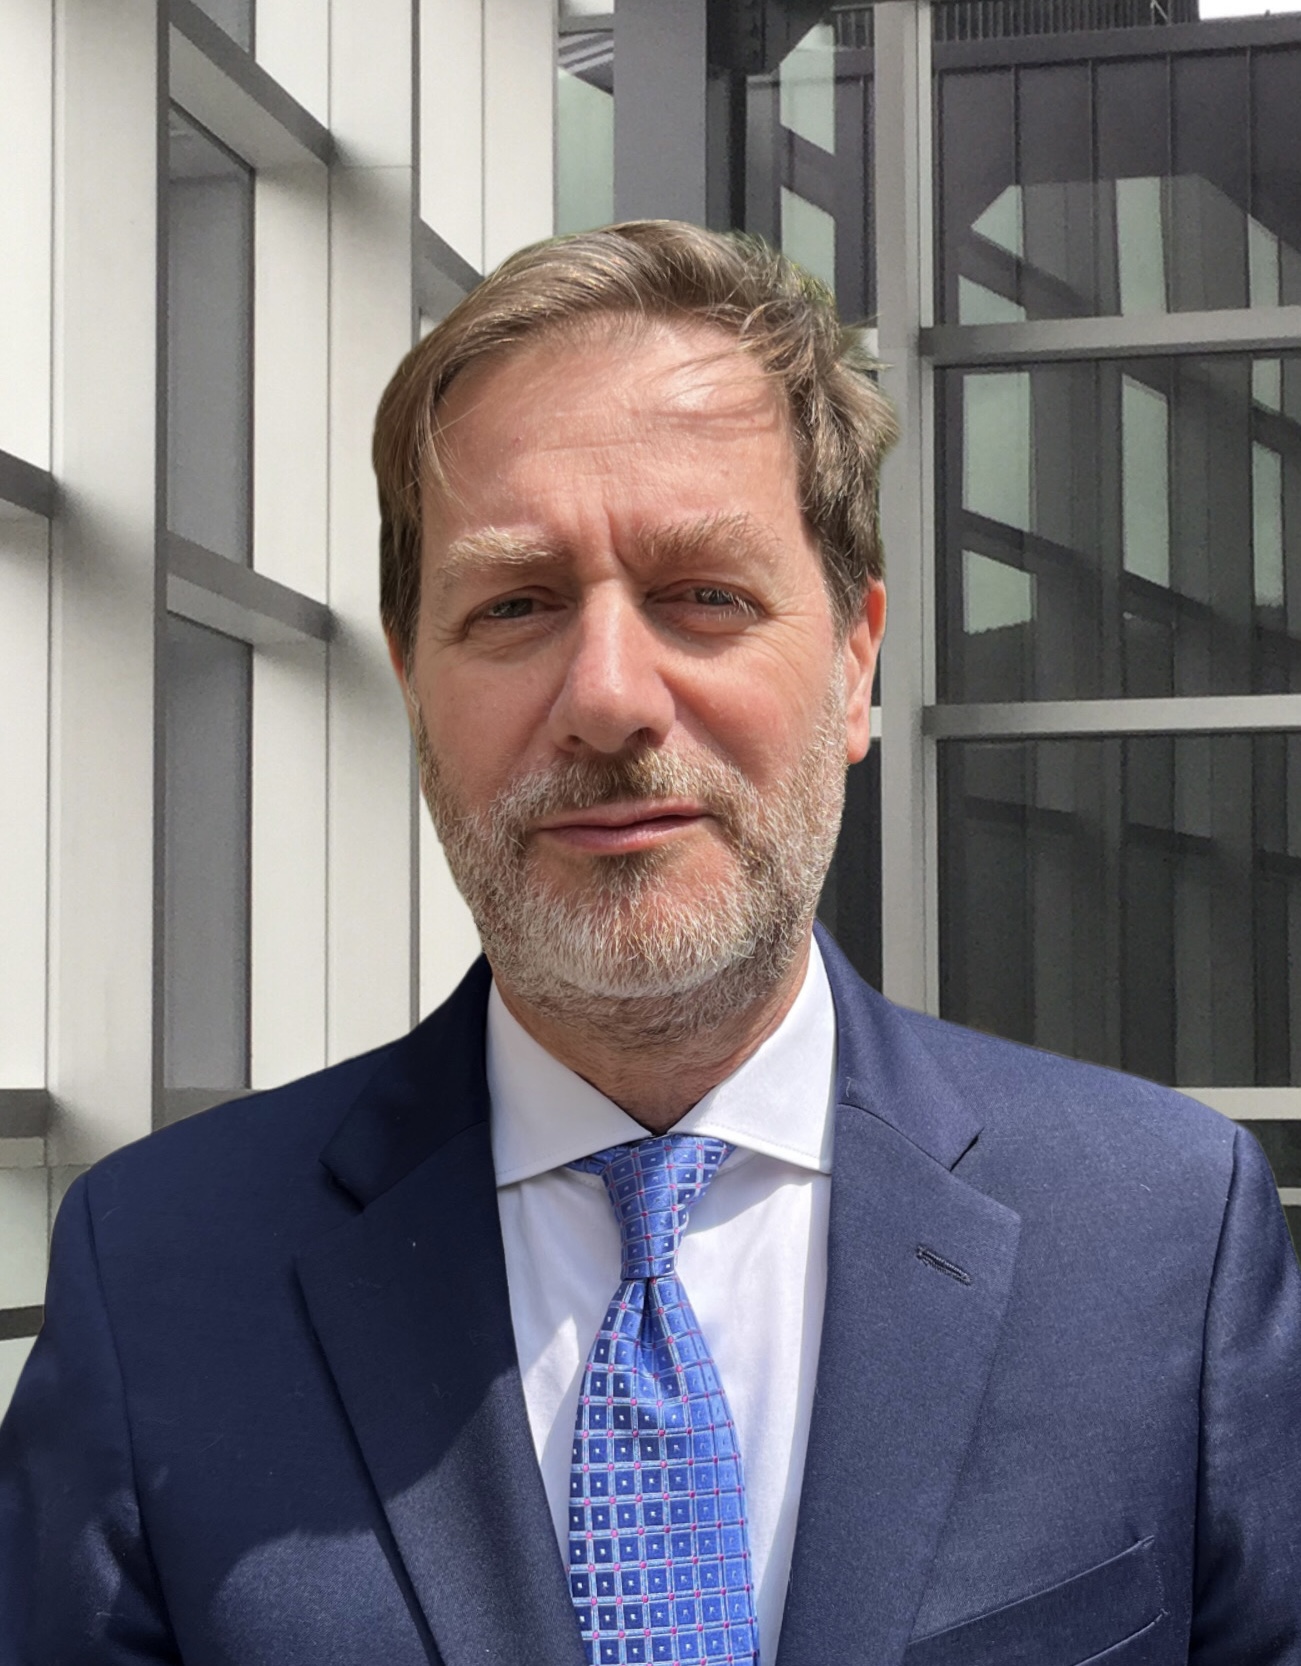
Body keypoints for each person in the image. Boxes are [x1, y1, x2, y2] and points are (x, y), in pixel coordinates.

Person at [2, 220, 1299, 1666]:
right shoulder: (165, 1271)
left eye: (703, 596)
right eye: (514, 605)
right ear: (413, 681)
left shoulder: (1161, 1236)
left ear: (856, 662)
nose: (609, 696)